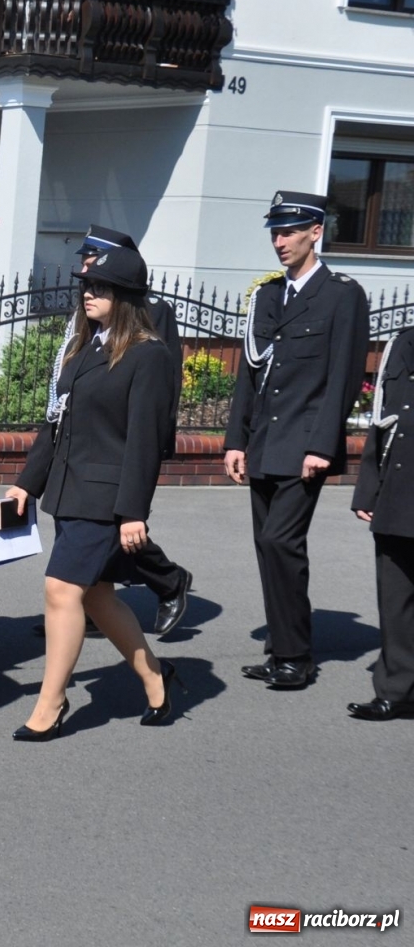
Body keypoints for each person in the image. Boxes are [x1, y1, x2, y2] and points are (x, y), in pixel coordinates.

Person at [6, 247, 180, 740]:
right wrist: (26, 483)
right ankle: (156, 678)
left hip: (106, 500)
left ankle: (51, 702)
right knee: (99, 596)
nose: (88, 293)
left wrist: (133, 512)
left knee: (61, 590)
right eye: (86, 286)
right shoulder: (85, 348)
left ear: (126, 297)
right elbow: (56, 424)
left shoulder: (149, 355)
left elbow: (145, 441)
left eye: (101, 287)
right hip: (68, 492)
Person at [226, 191, 369, 690]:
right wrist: (236, 440)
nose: (279, 241)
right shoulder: (268, 295)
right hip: (265, 441)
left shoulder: (341, 294)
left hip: (305, 442)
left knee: (280, 541)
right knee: (268, 548)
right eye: (275, 232)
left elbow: (343, 376)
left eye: (288, 232)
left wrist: (322, 445)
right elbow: (249, 374)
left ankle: (296, 656)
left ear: (316, 232)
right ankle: (283, 649)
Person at [45, 225, 195, 637]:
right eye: (85, 266)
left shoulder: (146, 319)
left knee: (112, 538)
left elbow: (155, 396)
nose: (86, 273)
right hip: (78, 455)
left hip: (113, 455)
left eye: (93, 262)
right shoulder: (90, 312)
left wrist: (135, 505)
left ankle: (167, 581)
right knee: (95, 575)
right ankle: (145, 663)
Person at [349, 327, 414, 721]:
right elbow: (384, 421)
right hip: (399, 488)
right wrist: (368, 488)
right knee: (396, 598)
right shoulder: (402, 343)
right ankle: (397, 691)